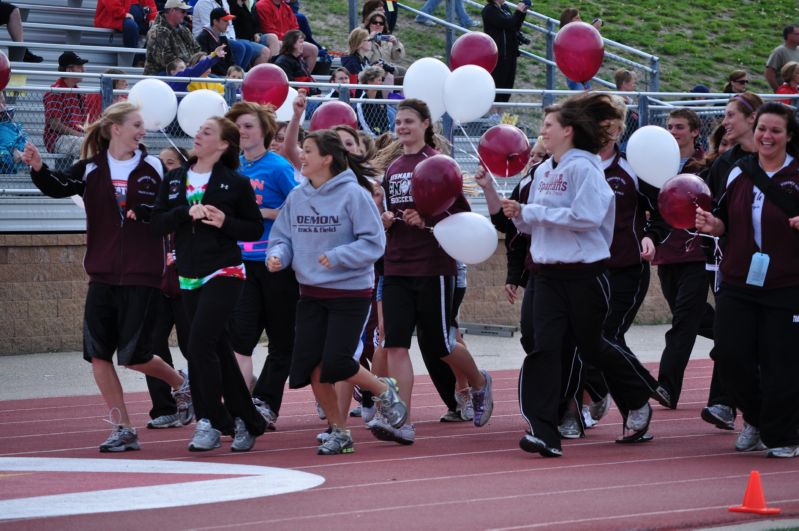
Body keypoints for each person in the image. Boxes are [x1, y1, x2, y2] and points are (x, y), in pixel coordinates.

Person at [23, 102, 192, 452]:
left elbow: (177, 211)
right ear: (115, 128)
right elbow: (59, 186)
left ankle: (181, 384)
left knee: (133, 355)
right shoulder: (91, 168)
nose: (142, 131)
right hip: (101, 273)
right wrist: (39, 169)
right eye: (136, 124)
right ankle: (123, 428)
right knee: (98, 355)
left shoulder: (155, 167)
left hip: (143, 273)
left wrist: (149, 214)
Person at [501, 93, 655, 457]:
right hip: (548, 276)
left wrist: (532, 212)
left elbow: (585, 218)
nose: (542, 132)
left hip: (586, 276)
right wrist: (515, 212)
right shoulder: (543, 170)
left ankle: (637, 396)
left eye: (548, 126)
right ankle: (544, 432)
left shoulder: (586, 169)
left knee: (592, 347)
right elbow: (528, 223)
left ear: (568, 130)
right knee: (543, 349)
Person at [267, 129, 408, 455]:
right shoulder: (298, 196)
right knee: (312, 367)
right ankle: (340, 431)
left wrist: (339, 256)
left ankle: (382, 389)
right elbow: (282, 236)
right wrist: (278, 255)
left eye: (308, 151)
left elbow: (374, 242)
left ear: (326, 159)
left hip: (349, 293)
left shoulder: (354, 195)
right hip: (310, 292)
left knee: (337, 362)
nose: (301, 156)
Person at [373, 98, 495, 445]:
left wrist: (428, 221)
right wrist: (385, 217)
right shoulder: (394, 166)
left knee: (440, 342)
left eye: (409, 121)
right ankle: (403, 420)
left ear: (426, 124)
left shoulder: (440, 164)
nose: (402, 128)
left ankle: (478, 381)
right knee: (395, 344)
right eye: (398, 122)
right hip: (396, 265)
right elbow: (392, 213)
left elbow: (461, 216)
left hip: (432, 267)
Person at [152, 116, 268, 452]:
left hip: (225, 271)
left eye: (207, 132)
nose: (198, 135)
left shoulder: (235, 182)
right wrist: (183, 215)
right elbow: (156, 224)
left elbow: (254, 229)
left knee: (199, 345)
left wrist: (223, 221)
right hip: (188, 272)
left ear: (223, 145)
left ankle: (210, 420)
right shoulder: (174, 178)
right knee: (216, 350)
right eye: (199, 130)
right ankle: (249, 420)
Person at [695, 102, 799, 458]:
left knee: (780, 362)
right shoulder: (738, 171)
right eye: (762, 129)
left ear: (788, 136)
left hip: (787, 283)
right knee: (729, 354)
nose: (767, 136)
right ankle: (757, 419)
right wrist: (713, 226)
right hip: (739, 280)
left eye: (775, 131)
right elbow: (723, 219)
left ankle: (784, 434)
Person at [224, 101, 299, 430]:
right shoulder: (234, 168)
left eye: (249, 126)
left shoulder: (278, 167)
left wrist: (266, 214)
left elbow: (300, 210)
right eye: (238, 126)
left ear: (265, 132)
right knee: (240, 339)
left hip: (275, 263)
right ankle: (239, 406)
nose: (242, 131)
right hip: (241, 263)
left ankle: (266, 402)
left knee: (282, 341)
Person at [698, 92, 763, 432]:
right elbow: (713, 211)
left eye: (730, 115)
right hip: (733, 266)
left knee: (769, 344)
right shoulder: (725, 164)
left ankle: (755, 416)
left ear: (752, 118)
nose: (724, 122)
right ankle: (727, 403)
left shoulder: (788, 162)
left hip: (780, 270)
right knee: (729, 342)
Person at [650, 108, 713, 410]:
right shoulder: (656, 165)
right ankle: (738, 342)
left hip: (697, 254)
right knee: (696, 318)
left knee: (683, 323)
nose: (673, 131)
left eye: (680, 127)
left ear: (695, 132)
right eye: (670, 126)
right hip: (666, 254)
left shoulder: (706, 166)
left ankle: (666, 386)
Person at [193, 3, 271, 71]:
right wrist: (227, 74)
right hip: (212, 76)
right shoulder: (202, 38)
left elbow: (231, 61)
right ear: (215, 21)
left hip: (224, 74)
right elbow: (206, 65)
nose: (228, 24)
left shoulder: (222, 38)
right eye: (225, 21)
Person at [43, 52, 90, 159]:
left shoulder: (79, 92)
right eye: (79, 67)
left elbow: (84, 122)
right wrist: (81, 135)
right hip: (57, 139)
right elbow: (55, 124)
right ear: (69, 70)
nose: (84, 70)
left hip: (77, 136)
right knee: (91, 145)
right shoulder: (56, 91)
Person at [482, 0, 527, 103]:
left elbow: (514, 26)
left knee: (508, 85)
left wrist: (522, 13)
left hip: (510, 52)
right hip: (499, 55)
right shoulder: (489, 10)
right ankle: (493, 115)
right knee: (498, 84)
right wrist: (518, 12)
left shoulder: (505, 8)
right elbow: (506, 23)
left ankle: (501, 114)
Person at [255, 0, 318, 74]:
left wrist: (293, 39)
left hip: (286, 40)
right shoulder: (262, 5)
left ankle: (303, 79)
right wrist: (289, 39)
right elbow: (268, 29)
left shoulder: (286, 7)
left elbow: (295, 27)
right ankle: (274, 76)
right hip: (269, 39)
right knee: (273, 38)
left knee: (312, 49)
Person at [144, 0, 200, 75]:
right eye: (183, 11)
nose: (186, 14)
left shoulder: (184, 29)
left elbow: (197, 49)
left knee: (215, 80)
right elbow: (166, 61)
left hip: (185, 71)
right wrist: (191, 66)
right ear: (173, 10)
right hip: (161, 76)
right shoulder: (156, 31)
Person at [558, 8, 603, 90]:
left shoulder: (569, 34)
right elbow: (579, 45)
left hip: (583, 73)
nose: (581, 21)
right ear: (569, 21)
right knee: (582, 99)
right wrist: (593, 29)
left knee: (586, 99)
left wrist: (593, 30)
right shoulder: (566, 36)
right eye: (577, 18)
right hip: (574, 74)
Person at [363, 9, 406, 77]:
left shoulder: (387, 40)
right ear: (369, 24)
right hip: (370, 74)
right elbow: (363, 59)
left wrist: (396, 43)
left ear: (384, 26)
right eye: (375, 22)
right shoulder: (363, 39)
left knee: (404, 73)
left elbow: (397, 58)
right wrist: (370, 39)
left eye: (381, 23)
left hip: (386, 73)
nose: (378, 25)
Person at [355, 66, 394, 136]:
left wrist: (386, 136)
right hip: (367, 140)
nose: (381, 83)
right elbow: (364, 125)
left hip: (381, 138)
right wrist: (377, 138)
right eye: (379, 80)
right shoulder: (361, 103)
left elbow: (386, 121)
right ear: (369, 82)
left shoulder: (380, 100)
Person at [765, 25, 799, 91]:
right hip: (786, 95)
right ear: (789, 35)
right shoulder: (779, 51)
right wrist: (779, 91)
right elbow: (769, 74)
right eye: (798, 34)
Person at [0, 91, 27, 173]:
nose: (1, 106)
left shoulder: (13, 126)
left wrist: (17, 150)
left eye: (3, 102)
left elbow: (23, 143)